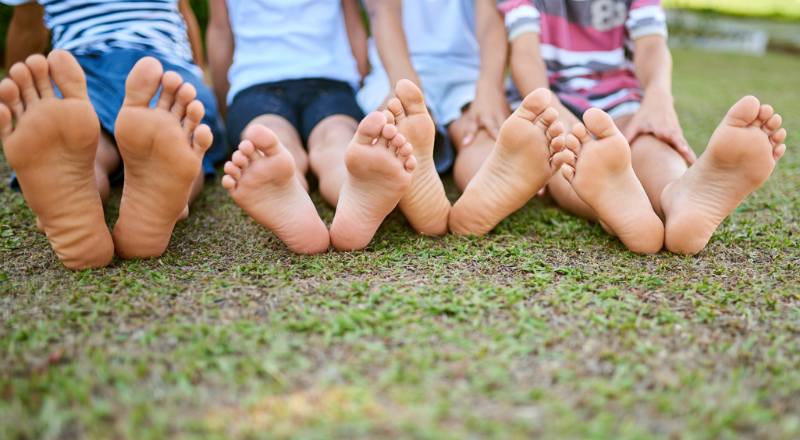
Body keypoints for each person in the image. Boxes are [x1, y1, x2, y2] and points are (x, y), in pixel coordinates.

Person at [498, 0, 787, 254]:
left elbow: (651, 45)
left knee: (650, 141)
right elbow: (525, 54)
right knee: (563, 159)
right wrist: (554, 110)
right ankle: (617, 209)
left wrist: (659, 96)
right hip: (550, 99)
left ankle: (677, 196)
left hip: (621, 96)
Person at [0, 0, 228, 269]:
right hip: (164, 65)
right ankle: (165, 202)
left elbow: (28, 27)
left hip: (78, 74)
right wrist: (198, 72)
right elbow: (182, 11)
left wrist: (18, 95)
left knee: (86, 141)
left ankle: (84, 191)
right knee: (178, 132)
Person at [208, 0, 417, 253]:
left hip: (256, 86)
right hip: (331, 83)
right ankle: (348, 185)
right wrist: (359, 81)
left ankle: (287, 189)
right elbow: (353, 27)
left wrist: (223, 107)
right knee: (336, 137)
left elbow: (221, 33)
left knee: (271, 137)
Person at [360, 0, 568, 239]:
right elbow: (383, 9)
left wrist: (489, 86)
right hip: (398, 72)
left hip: (469, 75)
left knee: (479, 130)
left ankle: (488, 187)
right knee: (408, 133)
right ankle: (429, 184)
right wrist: (406, 85)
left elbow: (491, 15)